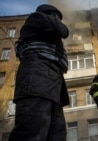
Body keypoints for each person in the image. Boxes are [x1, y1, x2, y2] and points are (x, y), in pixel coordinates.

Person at [8, 4, 69, 141]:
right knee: (32, 130)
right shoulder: (37, 18)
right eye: (56, 17)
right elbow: (64, 30)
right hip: (37, 80)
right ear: (49, 14)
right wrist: (59, 24)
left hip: (52, 84)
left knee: (57, 134)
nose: (58, 21)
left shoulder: (46, 33)